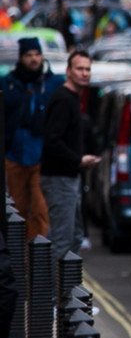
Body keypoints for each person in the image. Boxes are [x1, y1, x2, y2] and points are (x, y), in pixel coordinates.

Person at [41, 49, 99, 261]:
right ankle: (55, 293)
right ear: (68, 71)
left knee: (74, 236)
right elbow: (52, 140)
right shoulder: (63, 99)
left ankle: (67, 290)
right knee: (63, 240)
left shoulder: (73, 98)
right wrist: (78, 160)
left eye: (87, 69)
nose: (84, 73)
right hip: (59, 178)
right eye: (79, 69)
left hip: (70, 176)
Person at [4, 37, 60, 239]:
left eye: (37, 54)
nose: (34, 59)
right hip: (14, 155)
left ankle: (37, 260)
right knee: (17, 210)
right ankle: (20, 261)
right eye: (29, 55)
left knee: (39, 211)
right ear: (21, 58)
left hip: (41, 157)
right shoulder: (9, 84)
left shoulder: (52, 83)